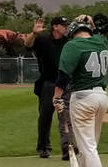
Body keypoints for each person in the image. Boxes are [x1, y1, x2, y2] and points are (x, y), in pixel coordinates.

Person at [54, 14, 108, 167]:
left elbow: (63, 76)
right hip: (102, 97)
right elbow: (97, 32)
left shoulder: (72, 46)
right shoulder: (101, 42)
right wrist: (90, 20)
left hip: (83, 97)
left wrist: (57, 98)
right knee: (90, 143)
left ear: (72, 32)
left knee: (87, 146)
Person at [24, 16, 72, 159]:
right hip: (48, 83)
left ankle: (66, 149)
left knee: (64, 117)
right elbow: (27, 45)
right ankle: (43, 148)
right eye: (63, 25)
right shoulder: (43, 39)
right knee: (45, 117)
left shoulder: (68, 42)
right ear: (55, 27)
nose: (66, 28)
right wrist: (34, 33)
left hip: (64, 84)